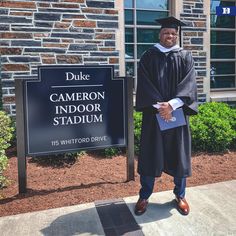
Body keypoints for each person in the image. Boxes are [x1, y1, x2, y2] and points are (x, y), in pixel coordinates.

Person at [135, 16, 198, 216]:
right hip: (154, 115)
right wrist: (161, 106)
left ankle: (180, 195)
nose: (169, 36)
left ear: (176, 35)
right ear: (159, 34)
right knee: (149, 154)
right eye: (166, 33)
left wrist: (172, 105)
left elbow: (190, 84)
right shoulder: (148, 56)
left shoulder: (185, 56)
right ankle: (144, 195)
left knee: (179, 155)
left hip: (176, 115)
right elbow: (144, 83)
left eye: (172, 33)